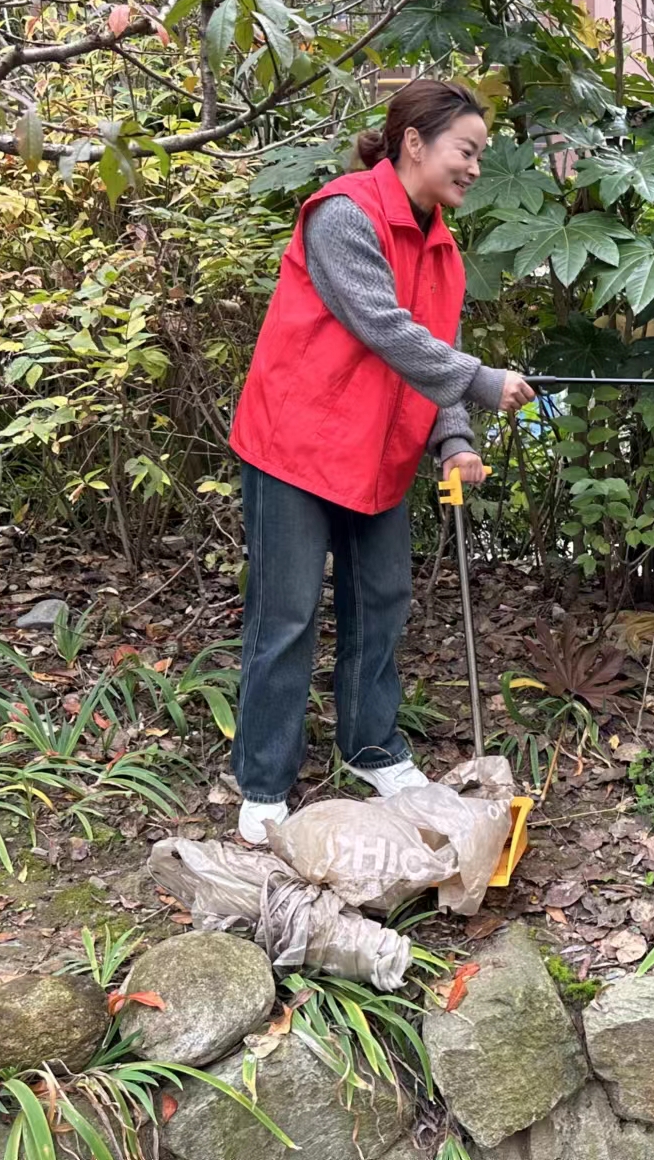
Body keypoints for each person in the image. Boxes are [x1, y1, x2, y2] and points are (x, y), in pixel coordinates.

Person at [227, 79, 535, 845]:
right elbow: (385, 327)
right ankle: (263, 783)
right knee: (287, 617)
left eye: (479, 155)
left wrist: (455, 438)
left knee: (383, 603)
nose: (473, 167)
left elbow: (433, 357)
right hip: (296, 444)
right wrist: (483, 381)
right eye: (466, 150)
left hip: (378, 455)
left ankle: (371, 747)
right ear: (414, 142)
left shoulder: (443, 249)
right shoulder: (344, 215)